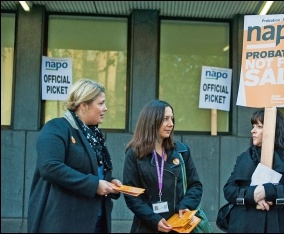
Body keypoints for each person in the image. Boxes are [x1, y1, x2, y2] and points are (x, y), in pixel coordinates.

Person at [27, 78, 123, 233]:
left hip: (97, 221)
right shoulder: (56, 127)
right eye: (101, 103)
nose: (105, 108)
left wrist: (109, 183)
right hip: (63, 223)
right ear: (84, 105)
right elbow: (50, 167)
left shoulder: (94, 135)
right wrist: (94, 185)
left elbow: (91, 171)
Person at [223, 108, 284, 233]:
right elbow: (228, 190)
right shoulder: (244, 157)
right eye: (253, 126)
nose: (253, 130)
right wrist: (252, 194)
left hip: (281, 224)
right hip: (245, 224)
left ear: (274, 129)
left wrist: (269, 191)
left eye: (259, 126)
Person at [123, 99, 203, 233]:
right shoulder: (134, 154)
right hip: (147, 226)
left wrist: (186, 205)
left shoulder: (181, 151)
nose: (171, 124)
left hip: (179, 225)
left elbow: (195, 185)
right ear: (152, 121)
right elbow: (131, 196)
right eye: (165, 119)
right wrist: (154, 220)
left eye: (172, 119)